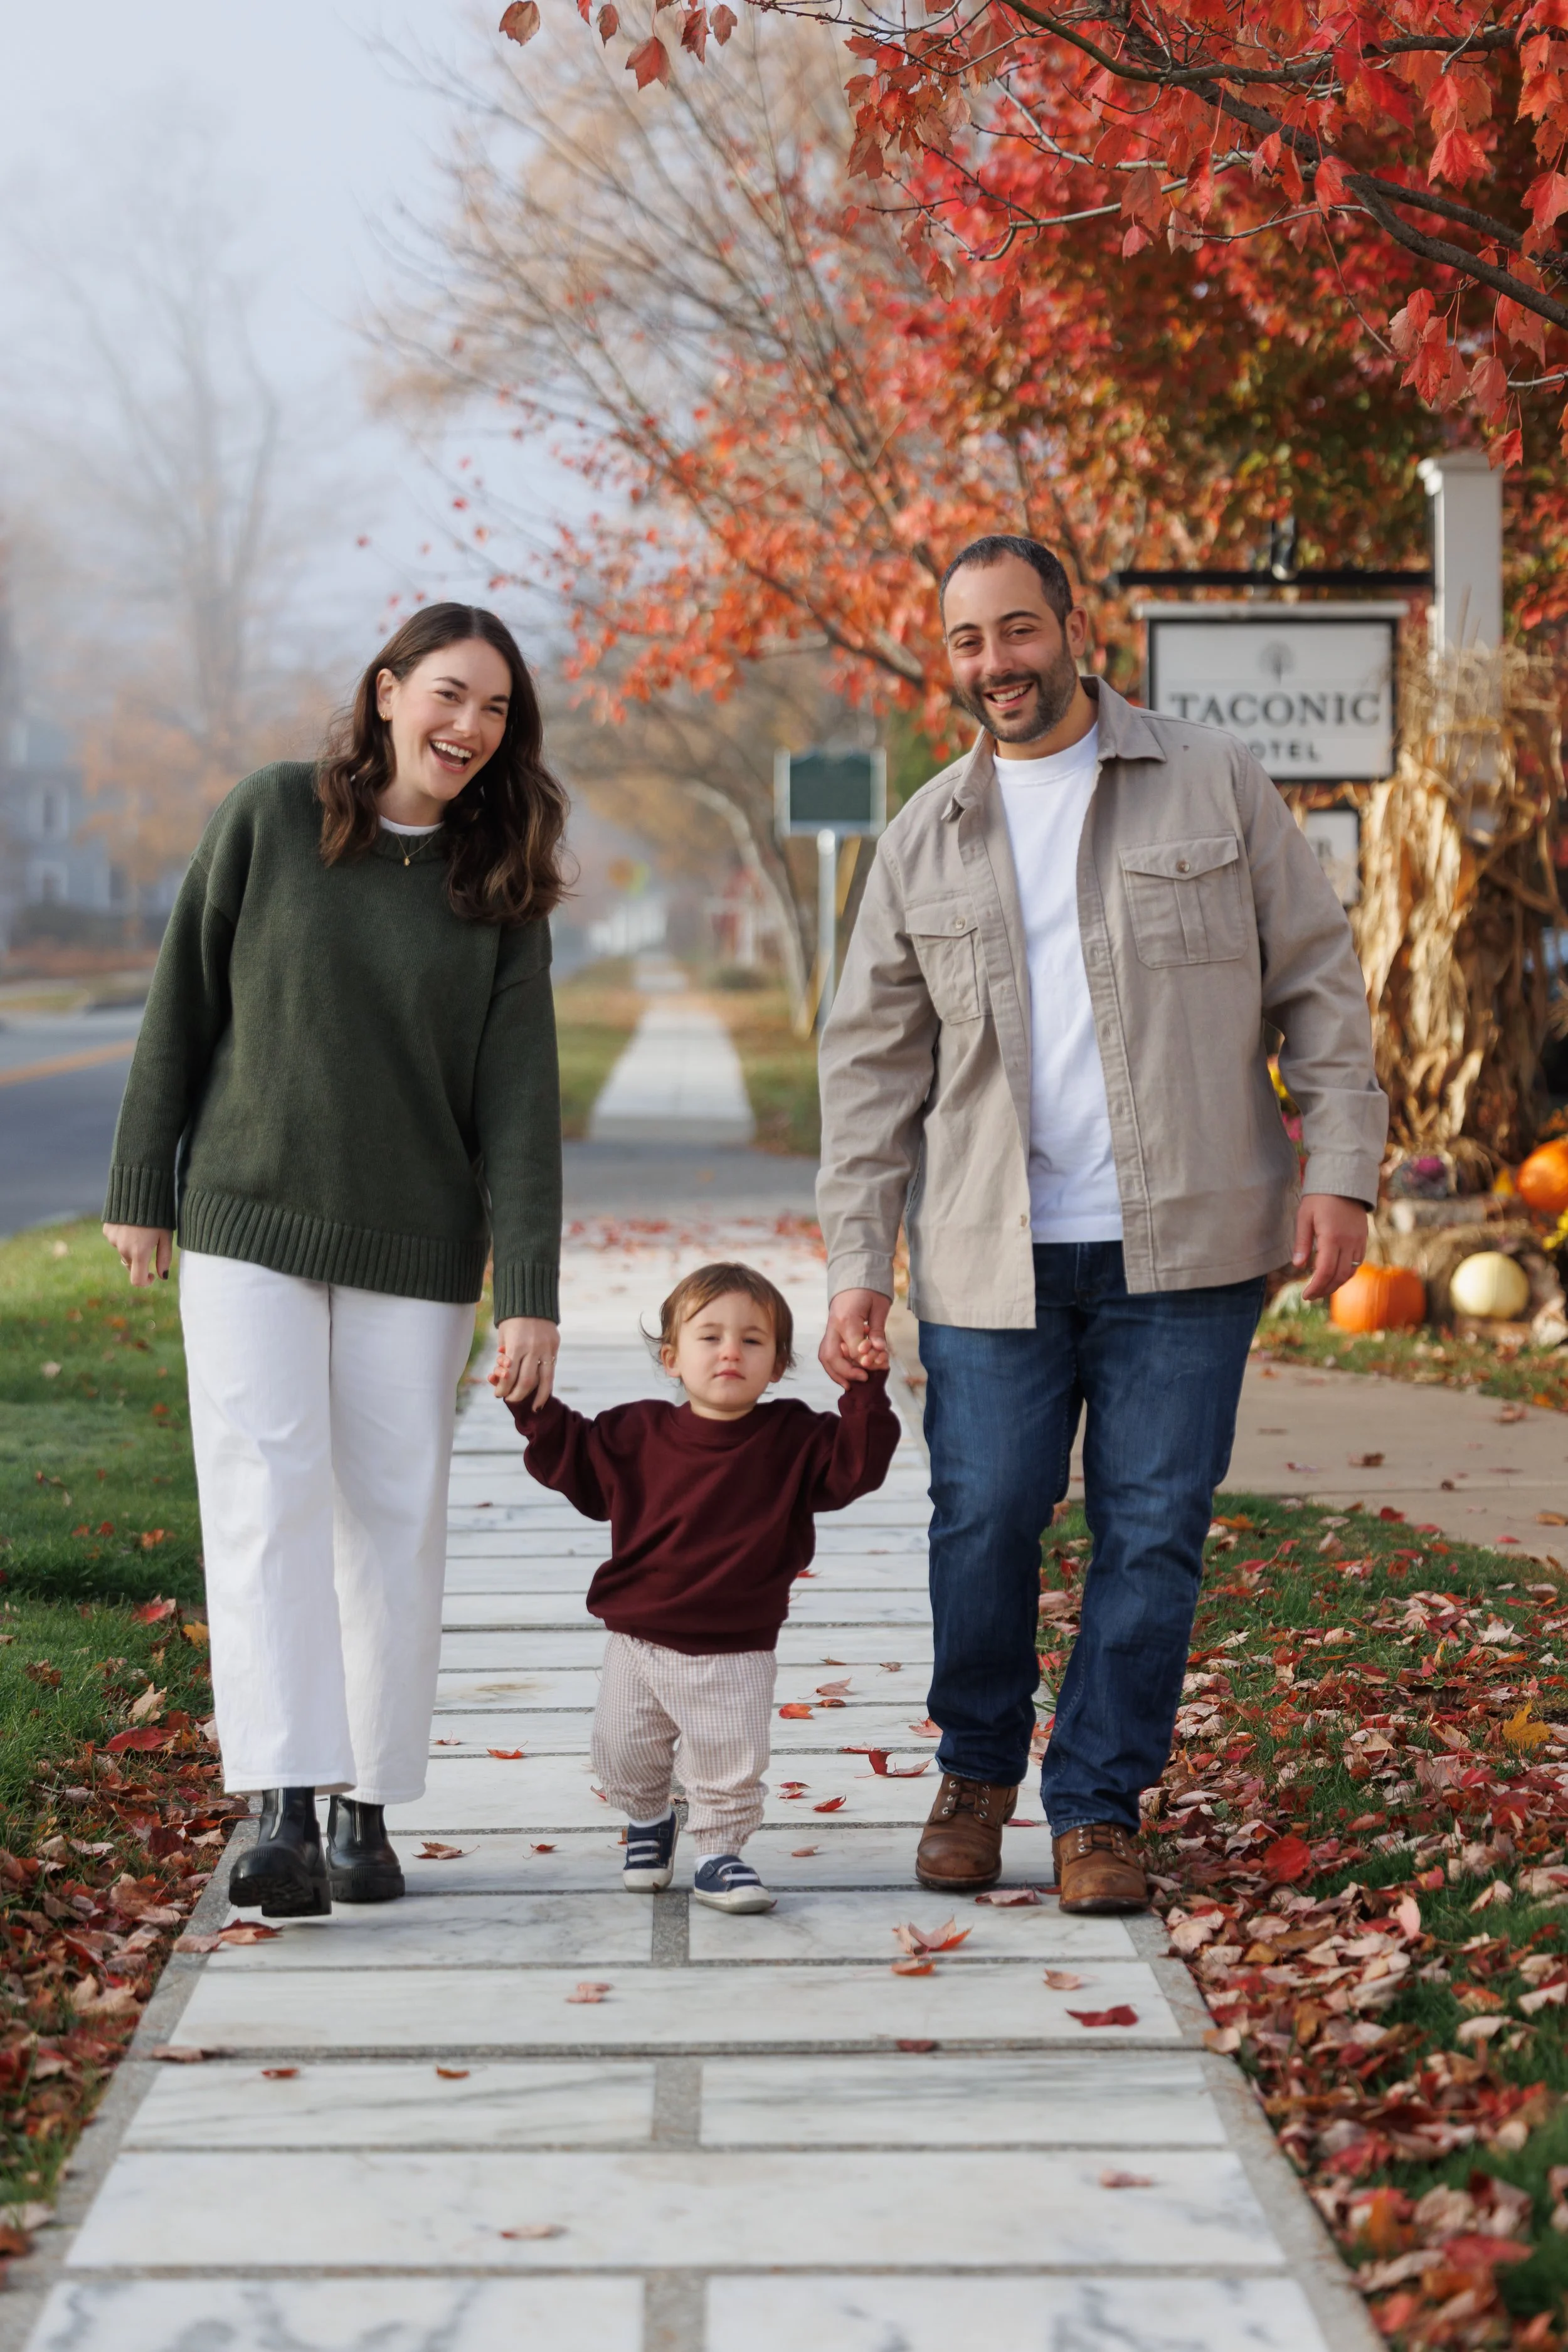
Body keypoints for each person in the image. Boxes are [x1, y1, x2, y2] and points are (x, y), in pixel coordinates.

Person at [817, 534, 1386, 1913]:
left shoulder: (1210, 778)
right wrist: (856, 1262)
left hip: (1183, 1244)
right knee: (984, 1517)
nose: (995, 663)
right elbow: (870, 1066)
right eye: (967, 641)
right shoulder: (924, 835)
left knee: (1151, 1530)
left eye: (1017, 630)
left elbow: (1316, 979)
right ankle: (974, 1772)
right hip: (986, 1249)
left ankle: (1097, 1806)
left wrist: (1341, 1167)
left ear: (1072, 628)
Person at [102, 603, 567, 1918]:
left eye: (495, 709)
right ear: (386, 692)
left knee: (392, 1516)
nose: (468, 726)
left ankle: (366, 1807)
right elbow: (182, 1003)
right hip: (247, 1221)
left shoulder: (499, 887)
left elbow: (520, 1105)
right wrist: (142, 1183)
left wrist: (528, 1292)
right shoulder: (270, 817)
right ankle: (284, 1807)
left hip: (415, 1247)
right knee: (265, 1498)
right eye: (448, 693)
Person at [501, 1263, 900, 1911]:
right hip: (637, 1639)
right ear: (671, 1358)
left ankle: (719, 1854)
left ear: (778, 1365)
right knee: (622, 1752)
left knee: (727, 1763)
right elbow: (569, 1456)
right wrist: (528, 1404)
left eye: (752, 1340)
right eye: (709, 1337)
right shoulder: (633, 1433)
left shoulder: (795, 1439)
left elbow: (858, 1467)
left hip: (734, 1645)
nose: (730, 1352)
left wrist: (864, 1390)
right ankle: (648, 1819)